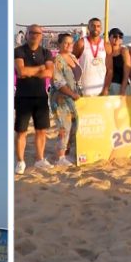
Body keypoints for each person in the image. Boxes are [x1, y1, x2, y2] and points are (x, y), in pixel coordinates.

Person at [14, 24, 54, 174]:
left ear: (41, 36)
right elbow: (21, 71)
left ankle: (39, 159)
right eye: (31, 32)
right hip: (23, 96)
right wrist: (39, 69)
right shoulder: (19, 51)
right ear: (26, 34)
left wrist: (31, 72)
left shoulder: (46, 52)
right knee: (21, 131)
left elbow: (50, 73)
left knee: (41, 130)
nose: (34, 35)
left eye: (37, 33)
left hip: (40, 96)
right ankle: (20, 161)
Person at [49, 33, 81, 166]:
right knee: (64, 126)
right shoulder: (57, 60)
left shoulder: (73, 57)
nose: (68, 45)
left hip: (74, 97)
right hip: (61, 98)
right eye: (65, 43)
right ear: (59, 44)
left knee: (74, 125)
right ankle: (60, 157)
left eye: (70, 43)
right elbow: (58, 82)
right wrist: (72, 94)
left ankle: (67, 153)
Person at [73, 17, 109, 96]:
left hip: (100, 89)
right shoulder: (81, 43)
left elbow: (110, 69)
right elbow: (71, 61)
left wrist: (106, 89)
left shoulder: (106, 45)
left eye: (98, 26)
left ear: (101, 28)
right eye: (93, 26)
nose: (96, 28)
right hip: (84, 89)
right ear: (88, 28)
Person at [106, 27, 131, 95]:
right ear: (109, 37)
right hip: (108, 86)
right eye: (115, 36)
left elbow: (127, 72)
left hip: (121, 86)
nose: (117, 39)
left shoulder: (124, 51)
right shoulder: (106, 52)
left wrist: (123, 89)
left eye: (120, 37)